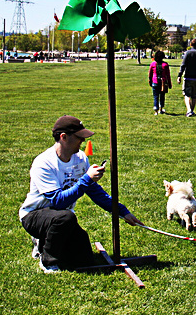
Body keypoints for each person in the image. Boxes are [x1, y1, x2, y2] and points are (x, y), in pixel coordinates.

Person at [18, 115, 143, 273]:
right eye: (79, 137)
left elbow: (95, 191)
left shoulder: (80, 158)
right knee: (65, 217)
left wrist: (122, 211)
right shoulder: (44, 163)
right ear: (63, 137)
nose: (83, 141)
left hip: (63, 219)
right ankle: (47, 260)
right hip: (34, 216)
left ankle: (47, 243)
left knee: (84, 258)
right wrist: (86, 179)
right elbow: (58, 202)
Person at [177, 38, 196, 117]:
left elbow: (183, 65)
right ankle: (191, 111)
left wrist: (179, 75)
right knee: (194, 96)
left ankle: (189, 110)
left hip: (188, 77)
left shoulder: (187, 53)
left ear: (190, 44)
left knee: (187, 95)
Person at [149, 50, 172, 115]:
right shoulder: (165, 65)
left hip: (155, 82)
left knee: (155, 96)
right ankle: (161, 109)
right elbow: (168, 75)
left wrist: (150, 81)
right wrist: (169, 84)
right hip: (163, 83)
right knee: (162, 96)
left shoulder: (153, 64)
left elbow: (150, 74)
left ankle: (156, 110)